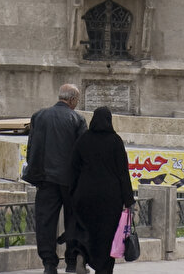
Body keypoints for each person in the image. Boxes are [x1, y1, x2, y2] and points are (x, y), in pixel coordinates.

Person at [26, 83, 86, 274]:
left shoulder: (39, 116)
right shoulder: (77, 119)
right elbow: (82, 153)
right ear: (73, 100)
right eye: (77, 100)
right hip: (70, 182)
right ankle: (71, 261)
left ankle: (49, 264)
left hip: (46, 179)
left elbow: (32, 148)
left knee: (45, 222)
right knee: (74, 220)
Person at [69, 105, 135, 274]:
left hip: (85, 195)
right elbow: (122, 172)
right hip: (110, 198)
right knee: (106, 235)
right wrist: (128, 200)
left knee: (86, 229)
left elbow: (73, 168)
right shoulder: (115, 141)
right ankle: (103, 269)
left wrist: (72, 193)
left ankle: (82, 255)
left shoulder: (83, 139)